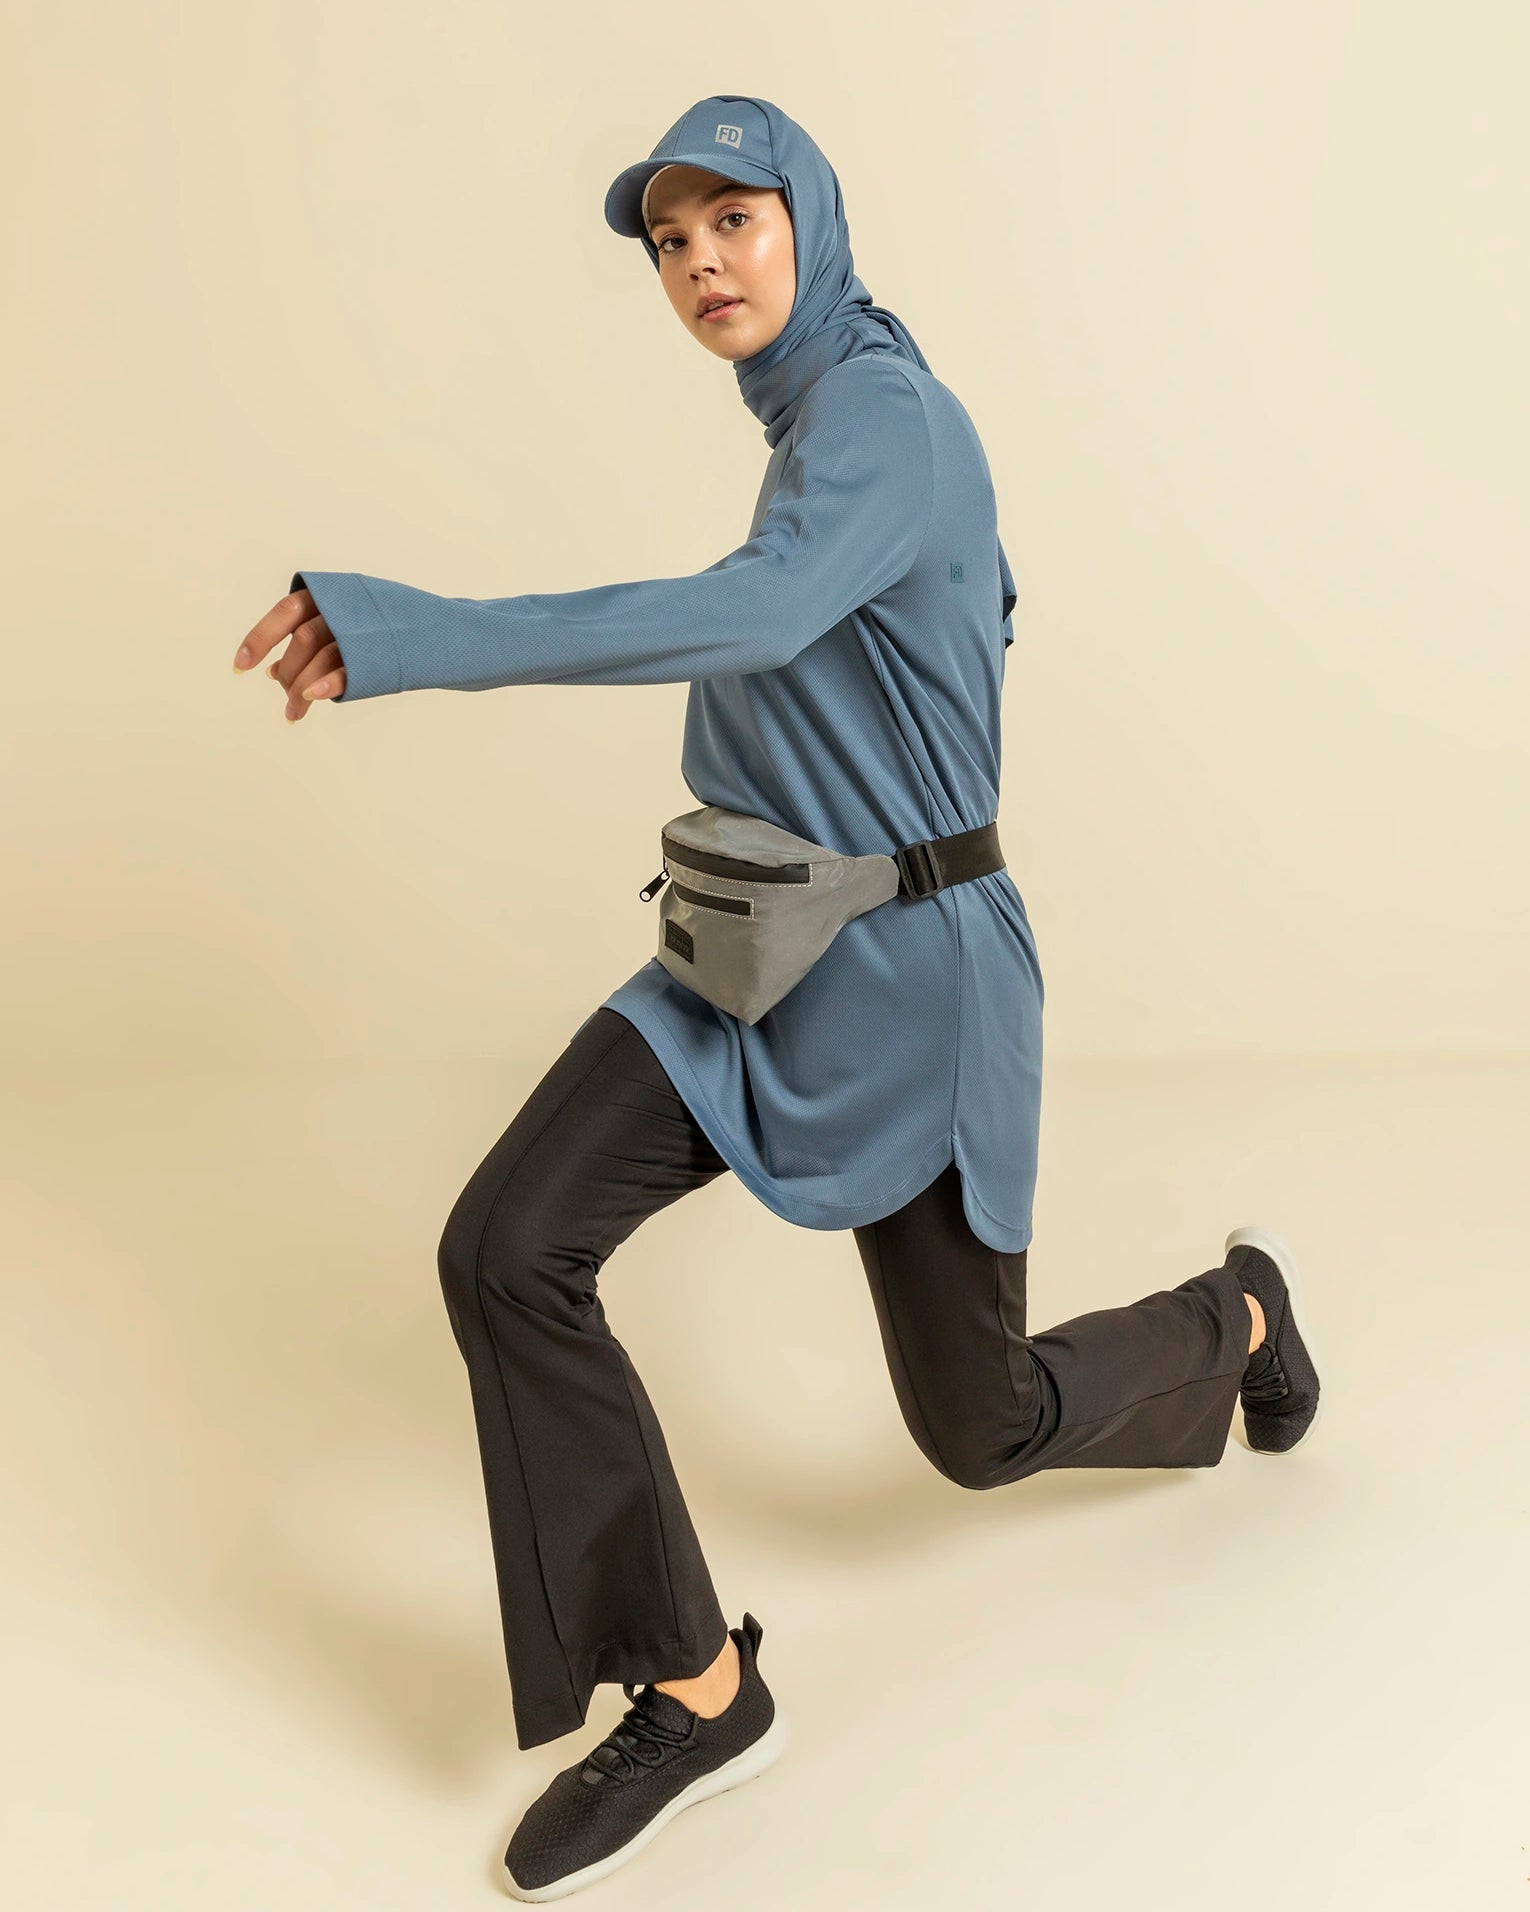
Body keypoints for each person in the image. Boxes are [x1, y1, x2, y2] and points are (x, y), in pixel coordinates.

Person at [233, 93, 1322, 1904]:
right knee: (507, 1247)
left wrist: (416, 632)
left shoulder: (884, 413)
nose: (698, 265)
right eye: (669, 243)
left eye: (731, 221)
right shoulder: (817, 418)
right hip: (745, 956)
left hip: (911, 982)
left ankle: (1242, 1312)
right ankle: (692, 1685)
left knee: (981, 1428)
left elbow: (752, 614)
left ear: (810, 221)